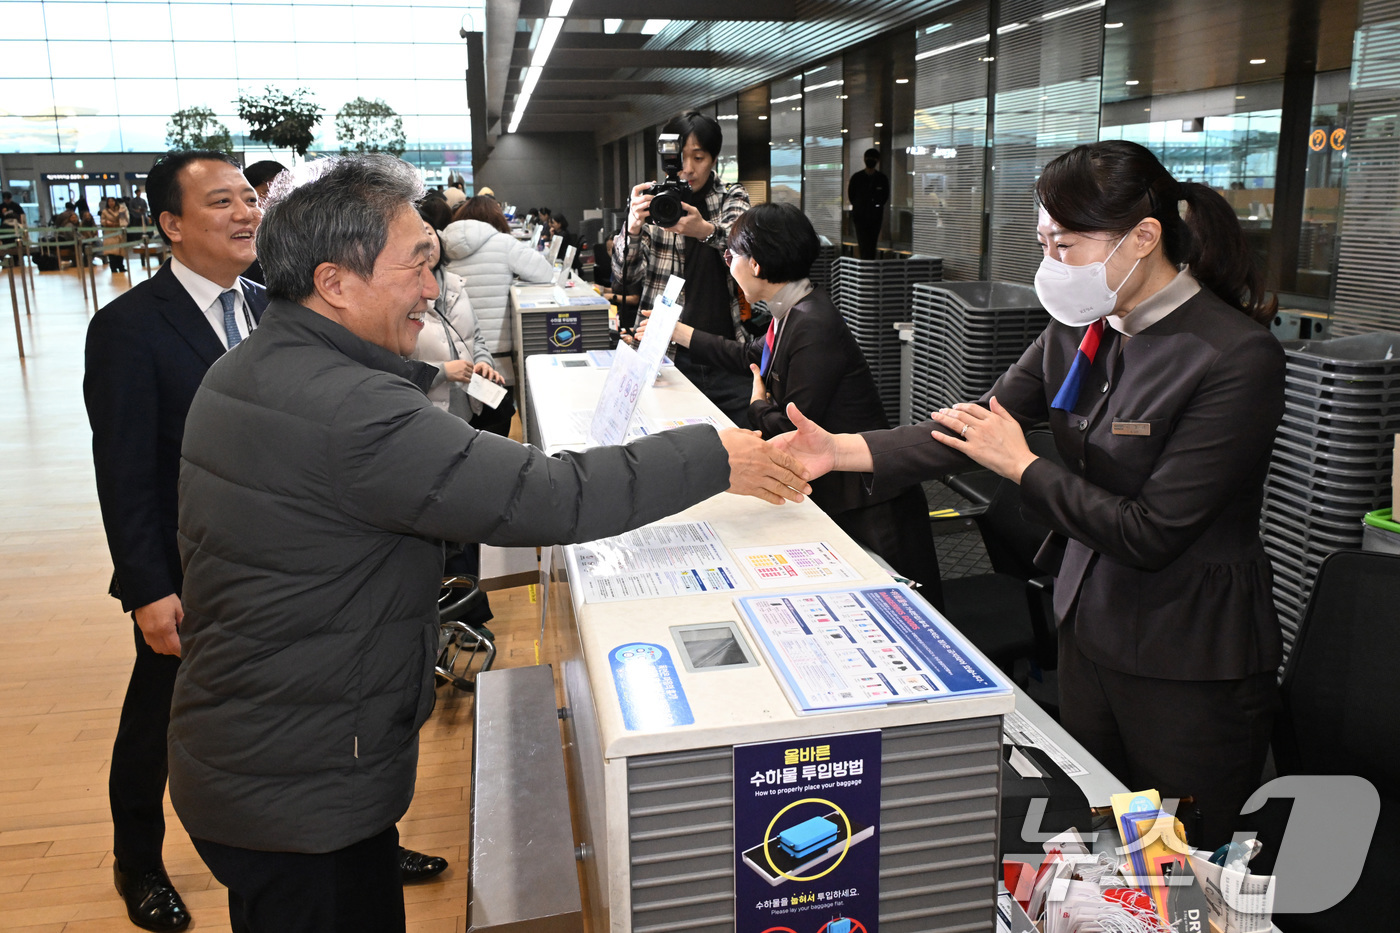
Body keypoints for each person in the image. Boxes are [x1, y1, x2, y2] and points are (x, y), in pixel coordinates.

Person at [167, 153, 810, 933]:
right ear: (335, 282)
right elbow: (547, 494)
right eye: (417, 266)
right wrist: (715, 454)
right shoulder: (352, 409)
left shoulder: (246, 369)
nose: (433, 289)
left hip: (257, 755)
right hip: (303, 784)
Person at [773, 140, 1284, 849]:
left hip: (1187, 654)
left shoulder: (1233, 356)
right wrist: (841, 450)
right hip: (1088, 624)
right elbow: (971, 426)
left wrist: (1022, 467)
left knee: (1179, 856)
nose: (1052, 265)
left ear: (1144, 237)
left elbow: (1151, 529)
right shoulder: (1082, 328)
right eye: (1044, 243)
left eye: (1066, 245)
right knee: (1104, 839)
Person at [84, 149, 268, 933]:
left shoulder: (272, 304)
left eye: (249, 198)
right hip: (190, 566)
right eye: (222, 201)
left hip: (284, 557)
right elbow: (123, 469)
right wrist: (149, 589)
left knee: (298, 703)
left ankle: (333, 839)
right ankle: (138, 859)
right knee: (160, 715)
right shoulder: (128, 327)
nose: (246, 212)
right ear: (170, 224)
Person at [635, 202, 942, 601]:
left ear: (756, 266)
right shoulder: (794, 310)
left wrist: (758, 405)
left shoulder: (813, 324)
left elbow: (799, 433)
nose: (730, 265)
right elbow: (750, 354)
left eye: (733, 256)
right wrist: (680, 333)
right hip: (843, 493)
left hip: (874, 508)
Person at [612, 110, 754, 427]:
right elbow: (624, 280)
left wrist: (703, 230)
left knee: (741, 445)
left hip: (725, 355)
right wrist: (632, 227)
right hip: (664, 359)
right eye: (682, 158)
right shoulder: (655, 203)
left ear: (714, 158)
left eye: (699, 157)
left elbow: (744, 250)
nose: (689, 169)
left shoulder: (732, 196)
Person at [412, 219, 513, 437]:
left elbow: (475, 337)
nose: (426, 241)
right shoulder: (399, 298)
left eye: (429, 232)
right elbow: (395, 368)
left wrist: (484, 363)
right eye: (416, 234)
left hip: (470, 405)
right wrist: (444, 372)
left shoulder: (455, 284)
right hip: (430, 416)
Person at [440, 195, 556, 379]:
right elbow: (545, 273)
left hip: (454, 354)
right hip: (496, 354)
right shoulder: (504, 243)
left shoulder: (441, 246)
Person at [848, 147, 889, 260]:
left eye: (873, 158)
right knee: (862, 241)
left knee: (872, 242)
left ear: (877, 160)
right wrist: (860, 205)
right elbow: (851, 195)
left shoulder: (881, 178)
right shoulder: (857, 178)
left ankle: (869, 263)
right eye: (869, 158)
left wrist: (876, 205)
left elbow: (884, 196)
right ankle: (865, 263)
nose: (871, 160)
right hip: (860, 215)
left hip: (875, 216)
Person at [101, 195, 130, 273]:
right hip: (110, 234)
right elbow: (103, 221)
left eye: (112, 201)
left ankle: (121, 266)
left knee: (120, 252)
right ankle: (113, 268)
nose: (111, 203)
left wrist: (119, 223)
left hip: (120, 233)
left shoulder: (121, 209)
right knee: (111, 252)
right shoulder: (105, 211)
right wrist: (108, 223)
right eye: (109, 201)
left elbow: (125, 219)